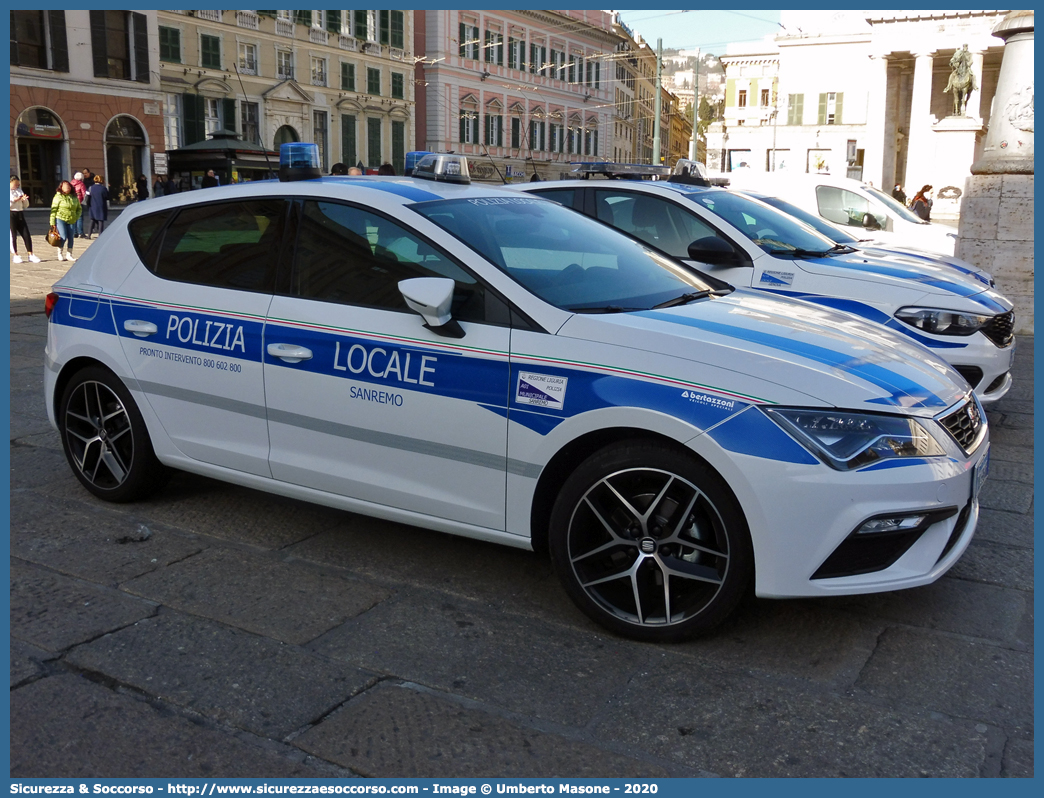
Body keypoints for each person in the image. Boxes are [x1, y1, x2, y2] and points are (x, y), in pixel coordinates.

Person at [49, 180, 82, 262]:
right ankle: (60, 253)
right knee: (63, 236)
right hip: (61, 219)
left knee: (71, 237)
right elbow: (54, 210)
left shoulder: (74, 197)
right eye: (65, 186)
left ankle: (69, 254)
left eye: (69, 186)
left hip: (71, 219)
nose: (67, 188)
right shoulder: (58, 197)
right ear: (61, 188)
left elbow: (79, 209)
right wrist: (52, 222)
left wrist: (76, 217)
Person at [10, 177, 40, 263]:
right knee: (13, 235)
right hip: (10, 214)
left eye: (17, 184)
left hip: (20, 213)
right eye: (15, 183)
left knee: (26, 234)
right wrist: (14, 200)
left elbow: (26, 205)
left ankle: (30, 254)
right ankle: (15, 254)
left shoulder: (19, 191)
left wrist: (24, 200)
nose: (16, 185)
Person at [86, 174, 110, 239]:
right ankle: (100, 234)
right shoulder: (103, 188)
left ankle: (89, 235)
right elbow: (107, 197)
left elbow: (87, 197)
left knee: (92, 220)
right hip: (101, 206)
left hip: (92, 206)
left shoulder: (90, 188)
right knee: (100, 221)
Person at [70, 171, 87, 238]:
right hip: (79, 202)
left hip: (72, 202)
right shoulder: (81, 184)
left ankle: (74, 232)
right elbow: (84, 193)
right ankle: (80, 232)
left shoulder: (71, 183)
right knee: (79, 218)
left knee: (73, 217)